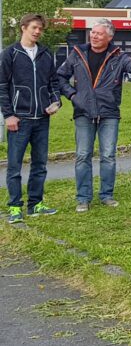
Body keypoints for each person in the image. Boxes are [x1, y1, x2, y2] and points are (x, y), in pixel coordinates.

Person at [56, 19, 131, 213]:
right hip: (83, 113)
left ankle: (106, 195)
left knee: (108, 156)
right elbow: (60, 77)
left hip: (109, 113)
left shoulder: (118, 56)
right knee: (83, 155)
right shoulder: (77, 53)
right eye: (93, 32)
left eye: (99, 33)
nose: (94, 36)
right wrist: (72, 95)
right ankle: (83, 198)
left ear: (109, 37)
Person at [2, 14, 62, 224]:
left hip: (42, 119)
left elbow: (54, 81)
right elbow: (2, 87)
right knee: (14, 166)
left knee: (40, 164)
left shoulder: (46, 54)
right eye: (34, 28)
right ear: (23, 27)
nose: (37, 32)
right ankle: (15, 206)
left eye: (40, 29)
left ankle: (35, 203)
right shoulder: (10, 54)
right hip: (20, 119)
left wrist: (56, 101)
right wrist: (9, 115)